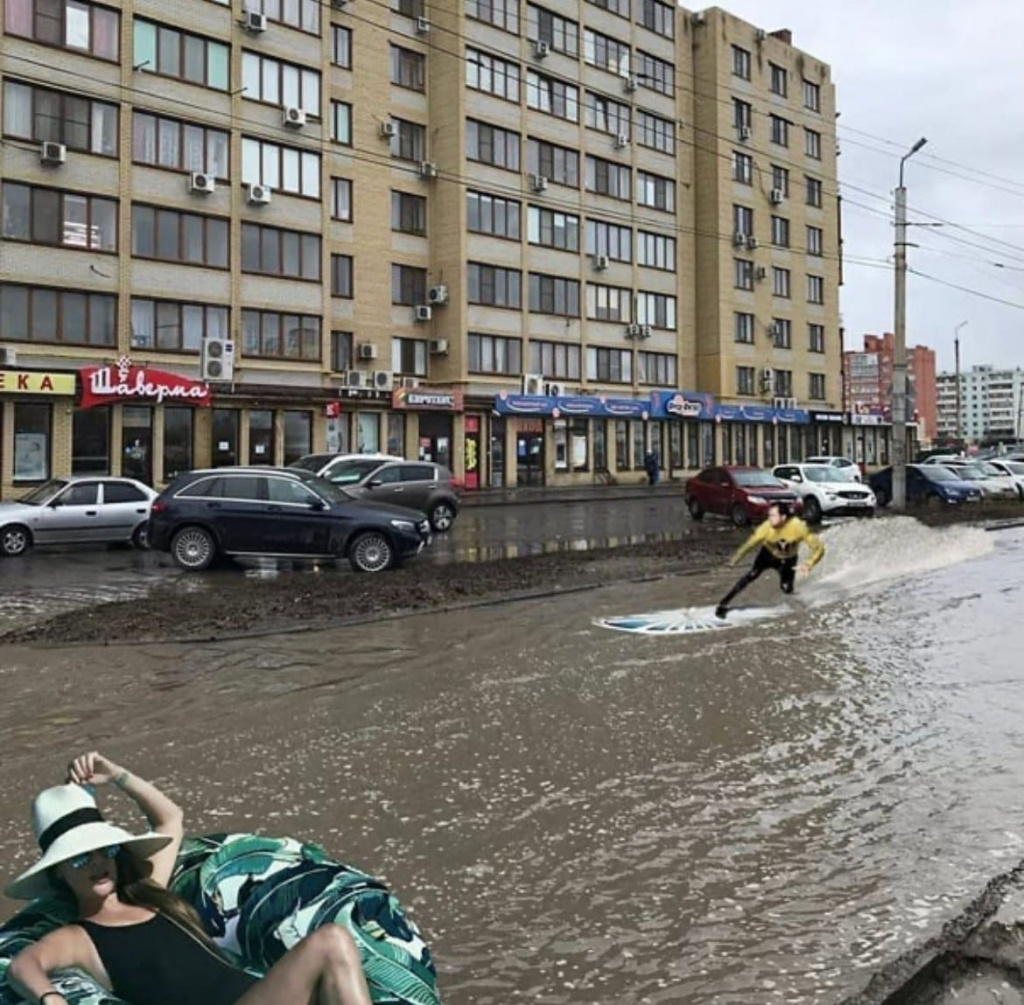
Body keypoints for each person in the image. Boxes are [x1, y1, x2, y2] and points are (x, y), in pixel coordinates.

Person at [6, 752, 374, 1005]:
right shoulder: (78, 936)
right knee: (332, 942)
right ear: (58, 871)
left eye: (105, 850)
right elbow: (24, 964)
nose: (97, 864)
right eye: (81, 858)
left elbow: (170, 819)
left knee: (337, 949)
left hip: (260, 995)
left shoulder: (149, 894)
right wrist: (50, 998)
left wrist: (116, 775)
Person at [715, 501, 824, 619]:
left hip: (788, 560)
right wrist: (734, 561)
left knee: (787, 588)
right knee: (751, 575)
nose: (769, 518)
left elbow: (819, 549)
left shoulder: (798, 527)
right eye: (769, 515)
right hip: (767, 555)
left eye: (773, 515)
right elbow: (749, 545)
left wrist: (809, 563)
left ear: (783, 517)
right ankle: (723, 603)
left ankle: (796, 605)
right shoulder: (765, 528)